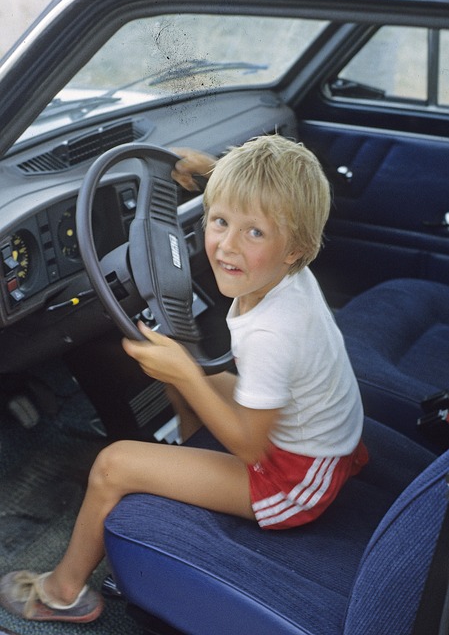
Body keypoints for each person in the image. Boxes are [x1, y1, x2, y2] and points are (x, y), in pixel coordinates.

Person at [0, 134, 368, 623]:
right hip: (304, 438)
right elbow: (258, 211)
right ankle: (191, 456)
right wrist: (216, 174)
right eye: (218, 220)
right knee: (184, 369)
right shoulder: (286, 274)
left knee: (114, 464)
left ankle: (63, 592)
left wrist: (187, 375)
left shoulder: (272, 333)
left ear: (294, 248)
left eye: (253, 233)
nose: (226, 246)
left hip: (291, 482)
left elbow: (251, 447)